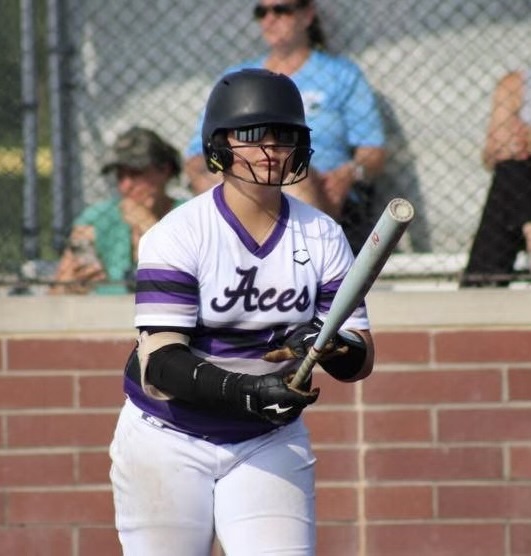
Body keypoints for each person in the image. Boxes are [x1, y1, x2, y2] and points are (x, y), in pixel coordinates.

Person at [109, 68, 375, 555]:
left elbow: (360, 360)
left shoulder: (322, 234)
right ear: (219, 145)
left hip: (267, 438)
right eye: (252, 135)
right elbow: (160, 366)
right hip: (167, 434)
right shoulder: (179, 233)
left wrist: (327, 344)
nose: (269, 148)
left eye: (284, 135)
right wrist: (246, 391)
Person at [184, 0, 386, 253]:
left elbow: (373, 151)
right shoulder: (238, 79)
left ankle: (309, 261)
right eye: (261, 12)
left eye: (281, 10)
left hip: (321, 187)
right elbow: (196, 156)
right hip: (246, 174)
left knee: (291, 176)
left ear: (307, 15)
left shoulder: (340, 74)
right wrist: (212, 178)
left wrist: (349, 173)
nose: (270, 19)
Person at [50, 126, 183, 295]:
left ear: (165, 170)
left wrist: (149, 226)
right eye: (120, 176)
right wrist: (67, 287)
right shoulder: (97, 218)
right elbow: (55, 291)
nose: (126, 186)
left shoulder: (191, 215)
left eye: (136, 173)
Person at [461, 69, 531, 287]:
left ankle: (481, 283)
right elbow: (494, 153)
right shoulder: (516, 84)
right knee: (510, 170)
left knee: (511, 176)